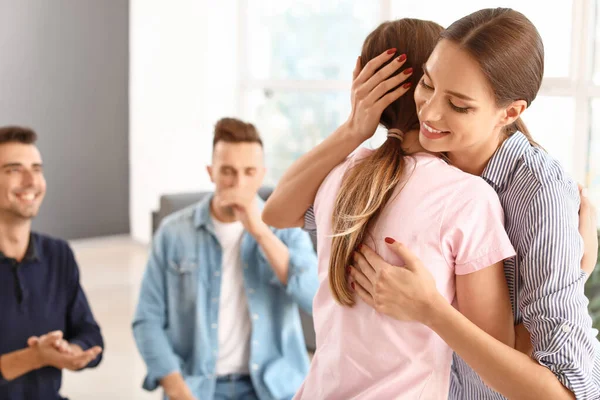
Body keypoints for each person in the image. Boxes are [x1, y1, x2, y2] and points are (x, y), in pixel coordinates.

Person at [265, 7, 600, 400]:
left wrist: (433, 309)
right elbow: (278, 212)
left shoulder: (533, 193)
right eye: (426, 84)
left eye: (459, 105)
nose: (430, 112)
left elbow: (565, 391)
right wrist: (354, 129)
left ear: (509, 112)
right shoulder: (393, 174)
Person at [132, 117, 319, 400]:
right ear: (211, 172)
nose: (239, 183)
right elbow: (147, 320)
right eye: (228, 172)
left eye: (249, 172)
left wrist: (260, 232)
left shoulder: (285, 228)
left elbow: (315, 297)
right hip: (198, 388)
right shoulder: (173, 234)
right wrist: (178, 391)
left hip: (273, 388)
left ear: (262, 174)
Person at [0, 126, 103, 400]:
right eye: (13, 169)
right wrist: (35, 357)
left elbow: (90, 334)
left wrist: (73, 350)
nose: (30, 180)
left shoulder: (58, 254)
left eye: (37, 168)